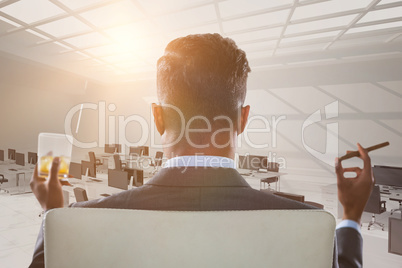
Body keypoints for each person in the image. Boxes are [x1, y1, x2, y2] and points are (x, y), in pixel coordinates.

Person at [29, 33, 373, 268]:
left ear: (158, 118)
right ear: (243, 120)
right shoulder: (309, 224)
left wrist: (53, 219)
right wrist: (350, 219)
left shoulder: (81, 221)